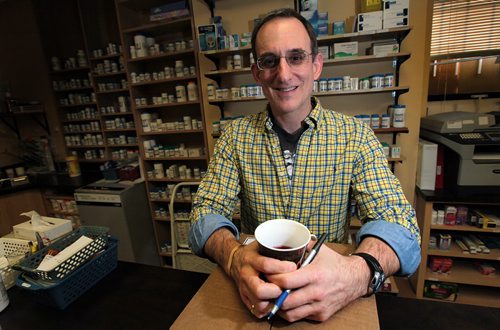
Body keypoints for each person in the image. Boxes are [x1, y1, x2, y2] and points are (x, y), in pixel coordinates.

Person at [189, 8, 421, 323]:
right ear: (257, 73)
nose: (283, 75)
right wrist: (233, 257)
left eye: (296, 57)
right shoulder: (234, 137)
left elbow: (402, 228)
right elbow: (204, 212)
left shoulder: (354, 136)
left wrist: (355, 274)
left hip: (333, 299)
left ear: (316, 65)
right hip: (258, 295)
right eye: (269, 61)